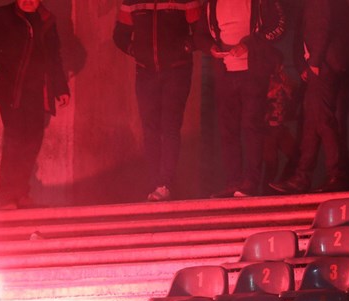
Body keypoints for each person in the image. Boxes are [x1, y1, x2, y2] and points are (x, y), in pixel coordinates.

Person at [0, 0, 70, 210]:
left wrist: (60, 88)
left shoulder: (47, 20)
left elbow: (53, 57)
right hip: (10, 90)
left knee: (32, 139)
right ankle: (8, 196)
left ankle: (21, 193)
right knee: (15, 139)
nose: (28, 1)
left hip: (37, 91)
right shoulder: (2, 16)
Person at [113, 0, 202, 202]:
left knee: (170, 127)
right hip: (145, 71)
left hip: (177, 70)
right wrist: (133, 49)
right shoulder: (131, 2)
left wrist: (186, 47)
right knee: (150, 128)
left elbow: (200, 31)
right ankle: (154, 182)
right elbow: (120, 35)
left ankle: (165, 183)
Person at [195, 0, 286, 198]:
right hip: (225, 73)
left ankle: (250, 183)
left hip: (253, 73)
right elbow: (199, 33)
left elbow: (279, 27)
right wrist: (210, 47)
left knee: (251, 126)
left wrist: (249, 45)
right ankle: (233, 181)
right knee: (228, 129)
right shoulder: (211, 3)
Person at [269, 0, 349, 194]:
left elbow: (321, 28)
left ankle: (336, 175)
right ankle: (302, 176)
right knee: (312, 121)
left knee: (323, 120)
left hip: (323, 66)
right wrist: (306, 64)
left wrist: (315, 62)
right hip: (323, 66)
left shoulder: (319, 3)